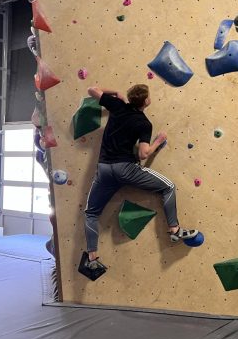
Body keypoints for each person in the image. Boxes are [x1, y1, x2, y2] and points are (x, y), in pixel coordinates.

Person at [80, 83, 198, 280]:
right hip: (125, 169)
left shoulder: (116, 106)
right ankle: (175, 230)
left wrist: (115, 94)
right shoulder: (144, 123)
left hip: (104, 169)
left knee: (91, 213)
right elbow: (143, 154)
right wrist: (158, 141)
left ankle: (92, 256)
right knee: (168, 187)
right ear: (146, 101)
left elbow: (91, 89)